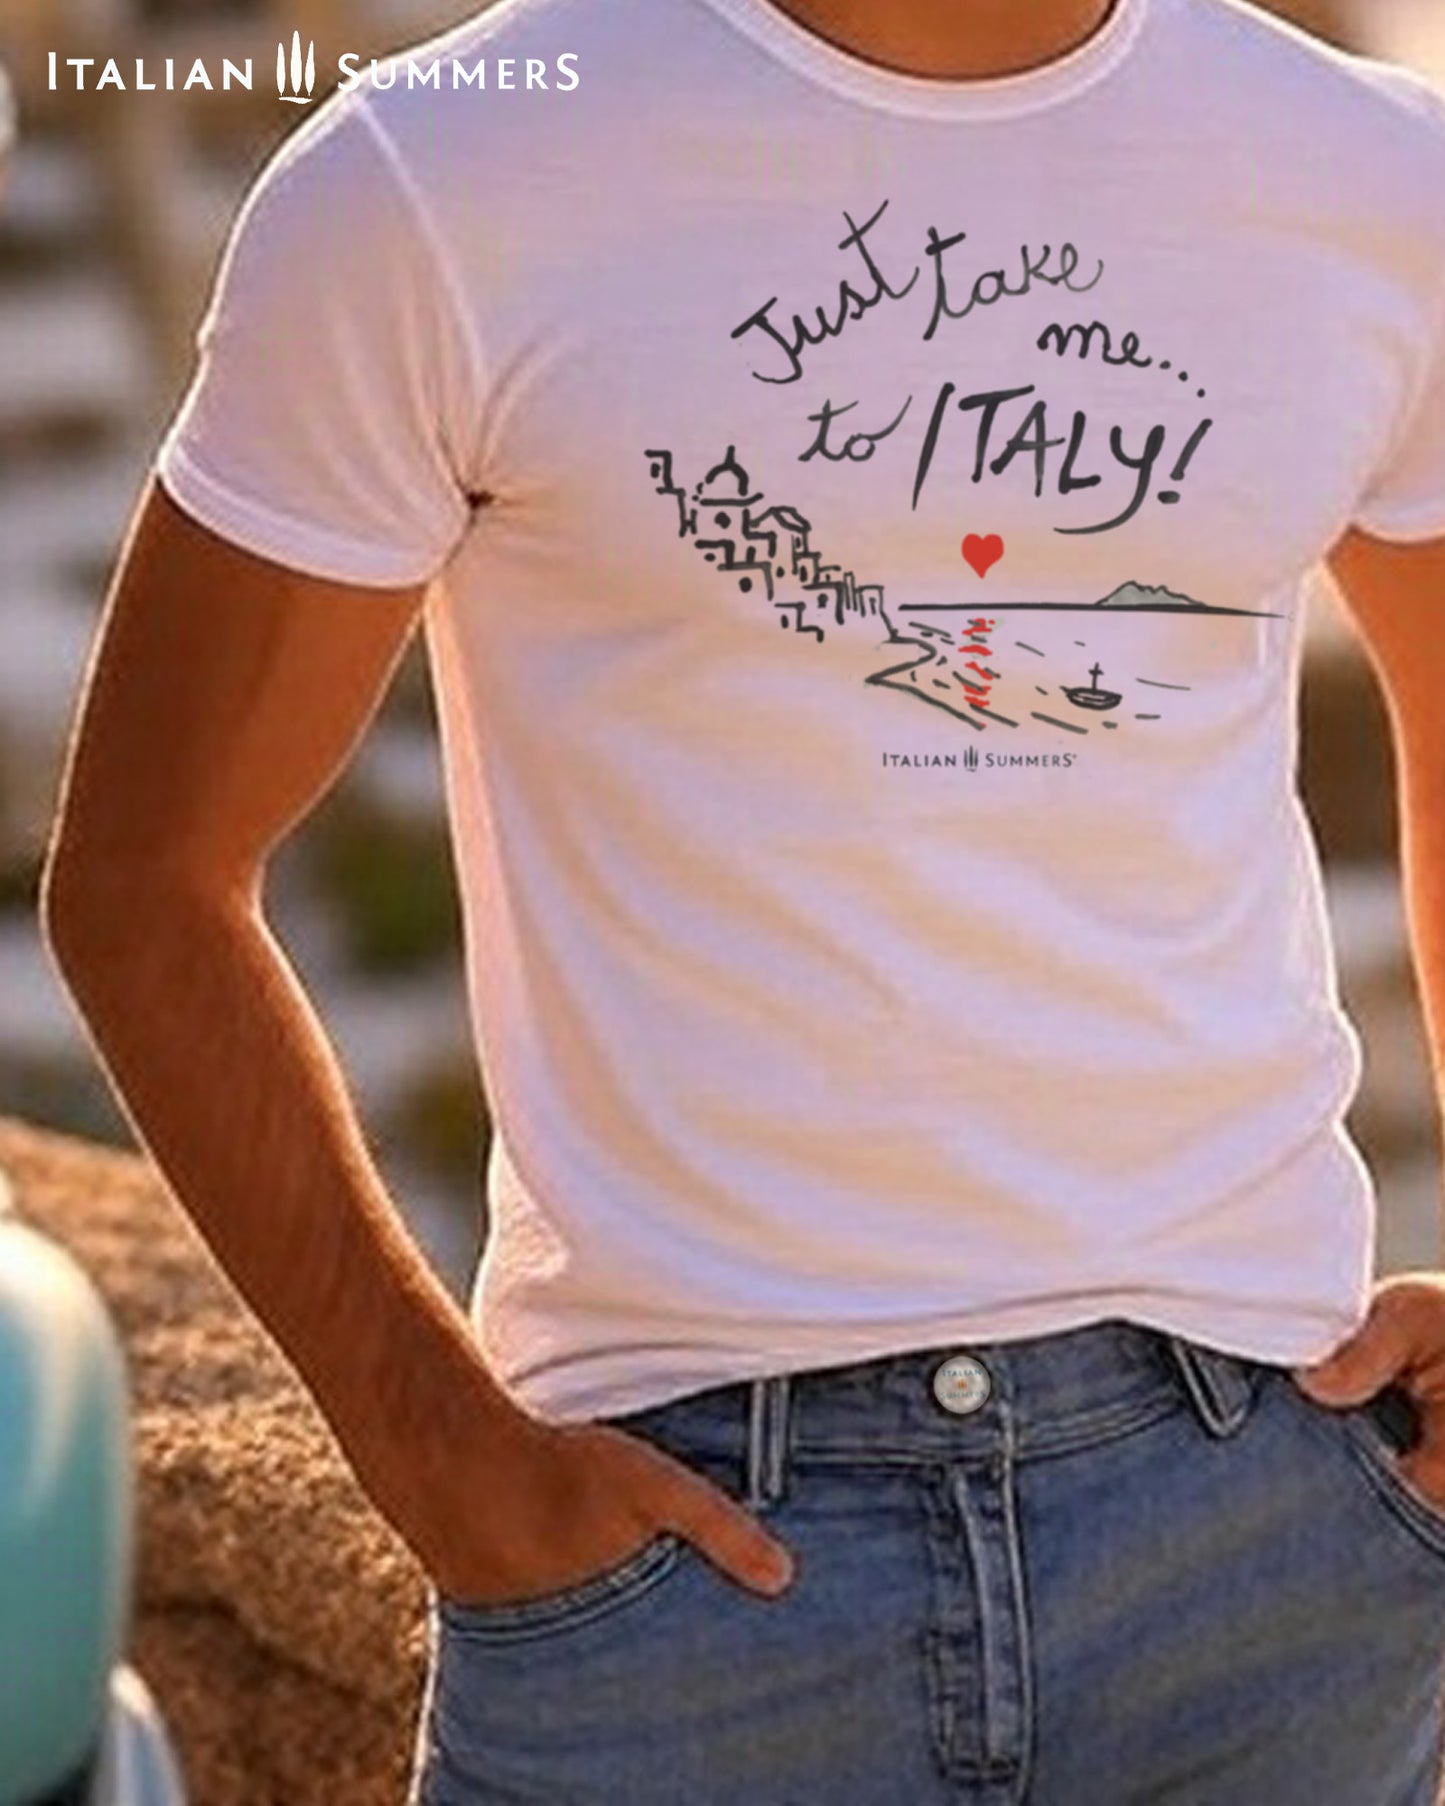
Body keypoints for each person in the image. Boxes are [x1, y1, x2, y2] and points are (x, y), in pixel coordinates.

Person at [37, 0, 1445, 1797]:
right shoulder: (437, 177)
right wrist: (451, 1466)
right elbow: (143, 885)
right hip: (682, 1560)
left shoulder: (1368, 177)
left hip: (1257, 1534)